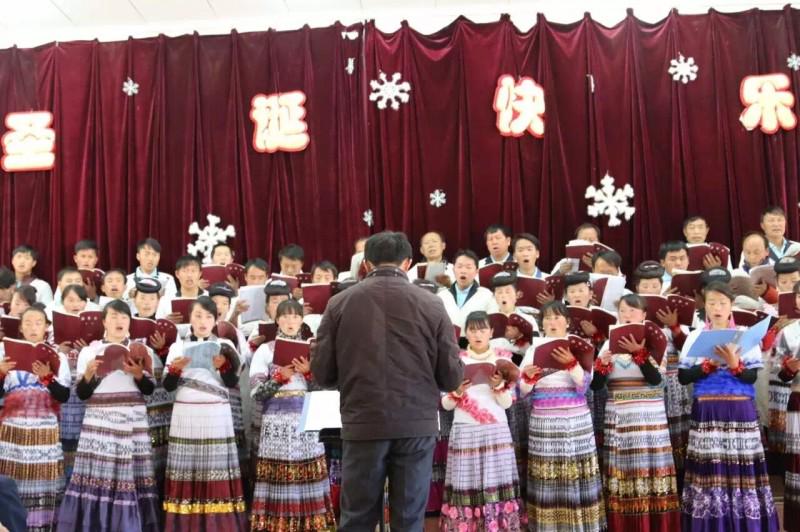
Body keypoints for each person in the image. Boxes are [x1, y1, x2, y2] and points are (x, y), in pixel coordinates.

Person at [312, 231, 463, 531]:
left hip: (363, 422)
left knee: (357, 518)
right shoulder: (431, 304)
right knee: (408, 519)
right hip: (416, 423)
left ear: (366, 263)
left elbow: (323, 375)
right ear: (408, 262)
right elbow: (451, 376)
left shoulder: (340, 303)